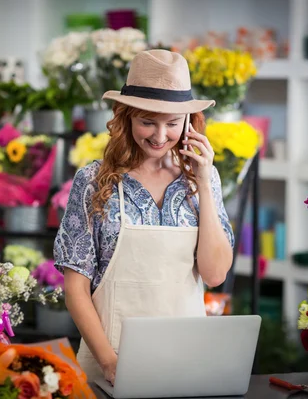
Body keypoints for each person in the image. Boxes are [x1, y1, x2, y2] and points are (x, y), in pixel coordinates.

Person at [53, 49, 235, 385]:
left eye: (173, 123)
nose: (159, 135)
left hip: (188, 360)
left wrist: (205, 185)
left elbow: (215, 274)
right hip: (111, 362)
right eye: (147, 121)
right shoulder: (94, 181)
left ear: (190, 123)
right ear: (126, 117)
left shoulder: (202, 179)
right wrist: (109, 362)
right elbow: (75, 288)